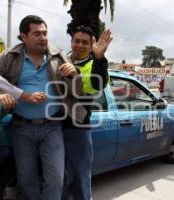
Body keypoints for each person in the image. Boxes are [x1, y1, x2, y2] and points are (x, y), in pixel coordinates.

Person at [0, 15, 87, 200]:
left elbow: (78, 92)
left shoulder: (58, 56)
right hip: (21, 127)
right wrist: (9, 95)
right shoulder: (10, 56)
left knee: (55, 179)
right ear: (23, 36)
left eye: (45, 33)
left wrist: (74, 75)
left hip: (51, 127)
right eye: (37, 34)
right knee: (27, 179)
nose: (43, 38)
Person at [61, 25, 112, 200]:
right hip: (53, 128)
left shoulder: (93, 65)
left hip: (78, 129)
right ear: (71, 41)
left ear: (91, 45)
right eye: (77, 41)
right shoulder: (60, 60)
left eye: (85, 42)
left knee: (81, 176)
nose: (80, 45)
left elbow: (97, 86)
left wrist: (99, 58)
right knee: (58, 177)